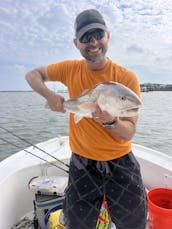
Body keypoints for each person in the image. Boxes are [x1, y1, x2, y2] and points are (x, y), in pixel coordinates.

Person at [25, 9, 147, 229]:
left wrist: (111, 122)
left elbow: (129, 132)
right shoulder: (70, 69)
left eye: (98, 34)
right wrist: (50, 95)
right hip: (82, 163)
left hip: (121, 161)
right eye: (85, 37)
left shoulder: (127, 78)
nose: (93, 42)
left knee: (134, 222)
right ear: (76, 42)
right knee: (78, 224)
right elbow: (32, 75)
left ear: (107, 36)